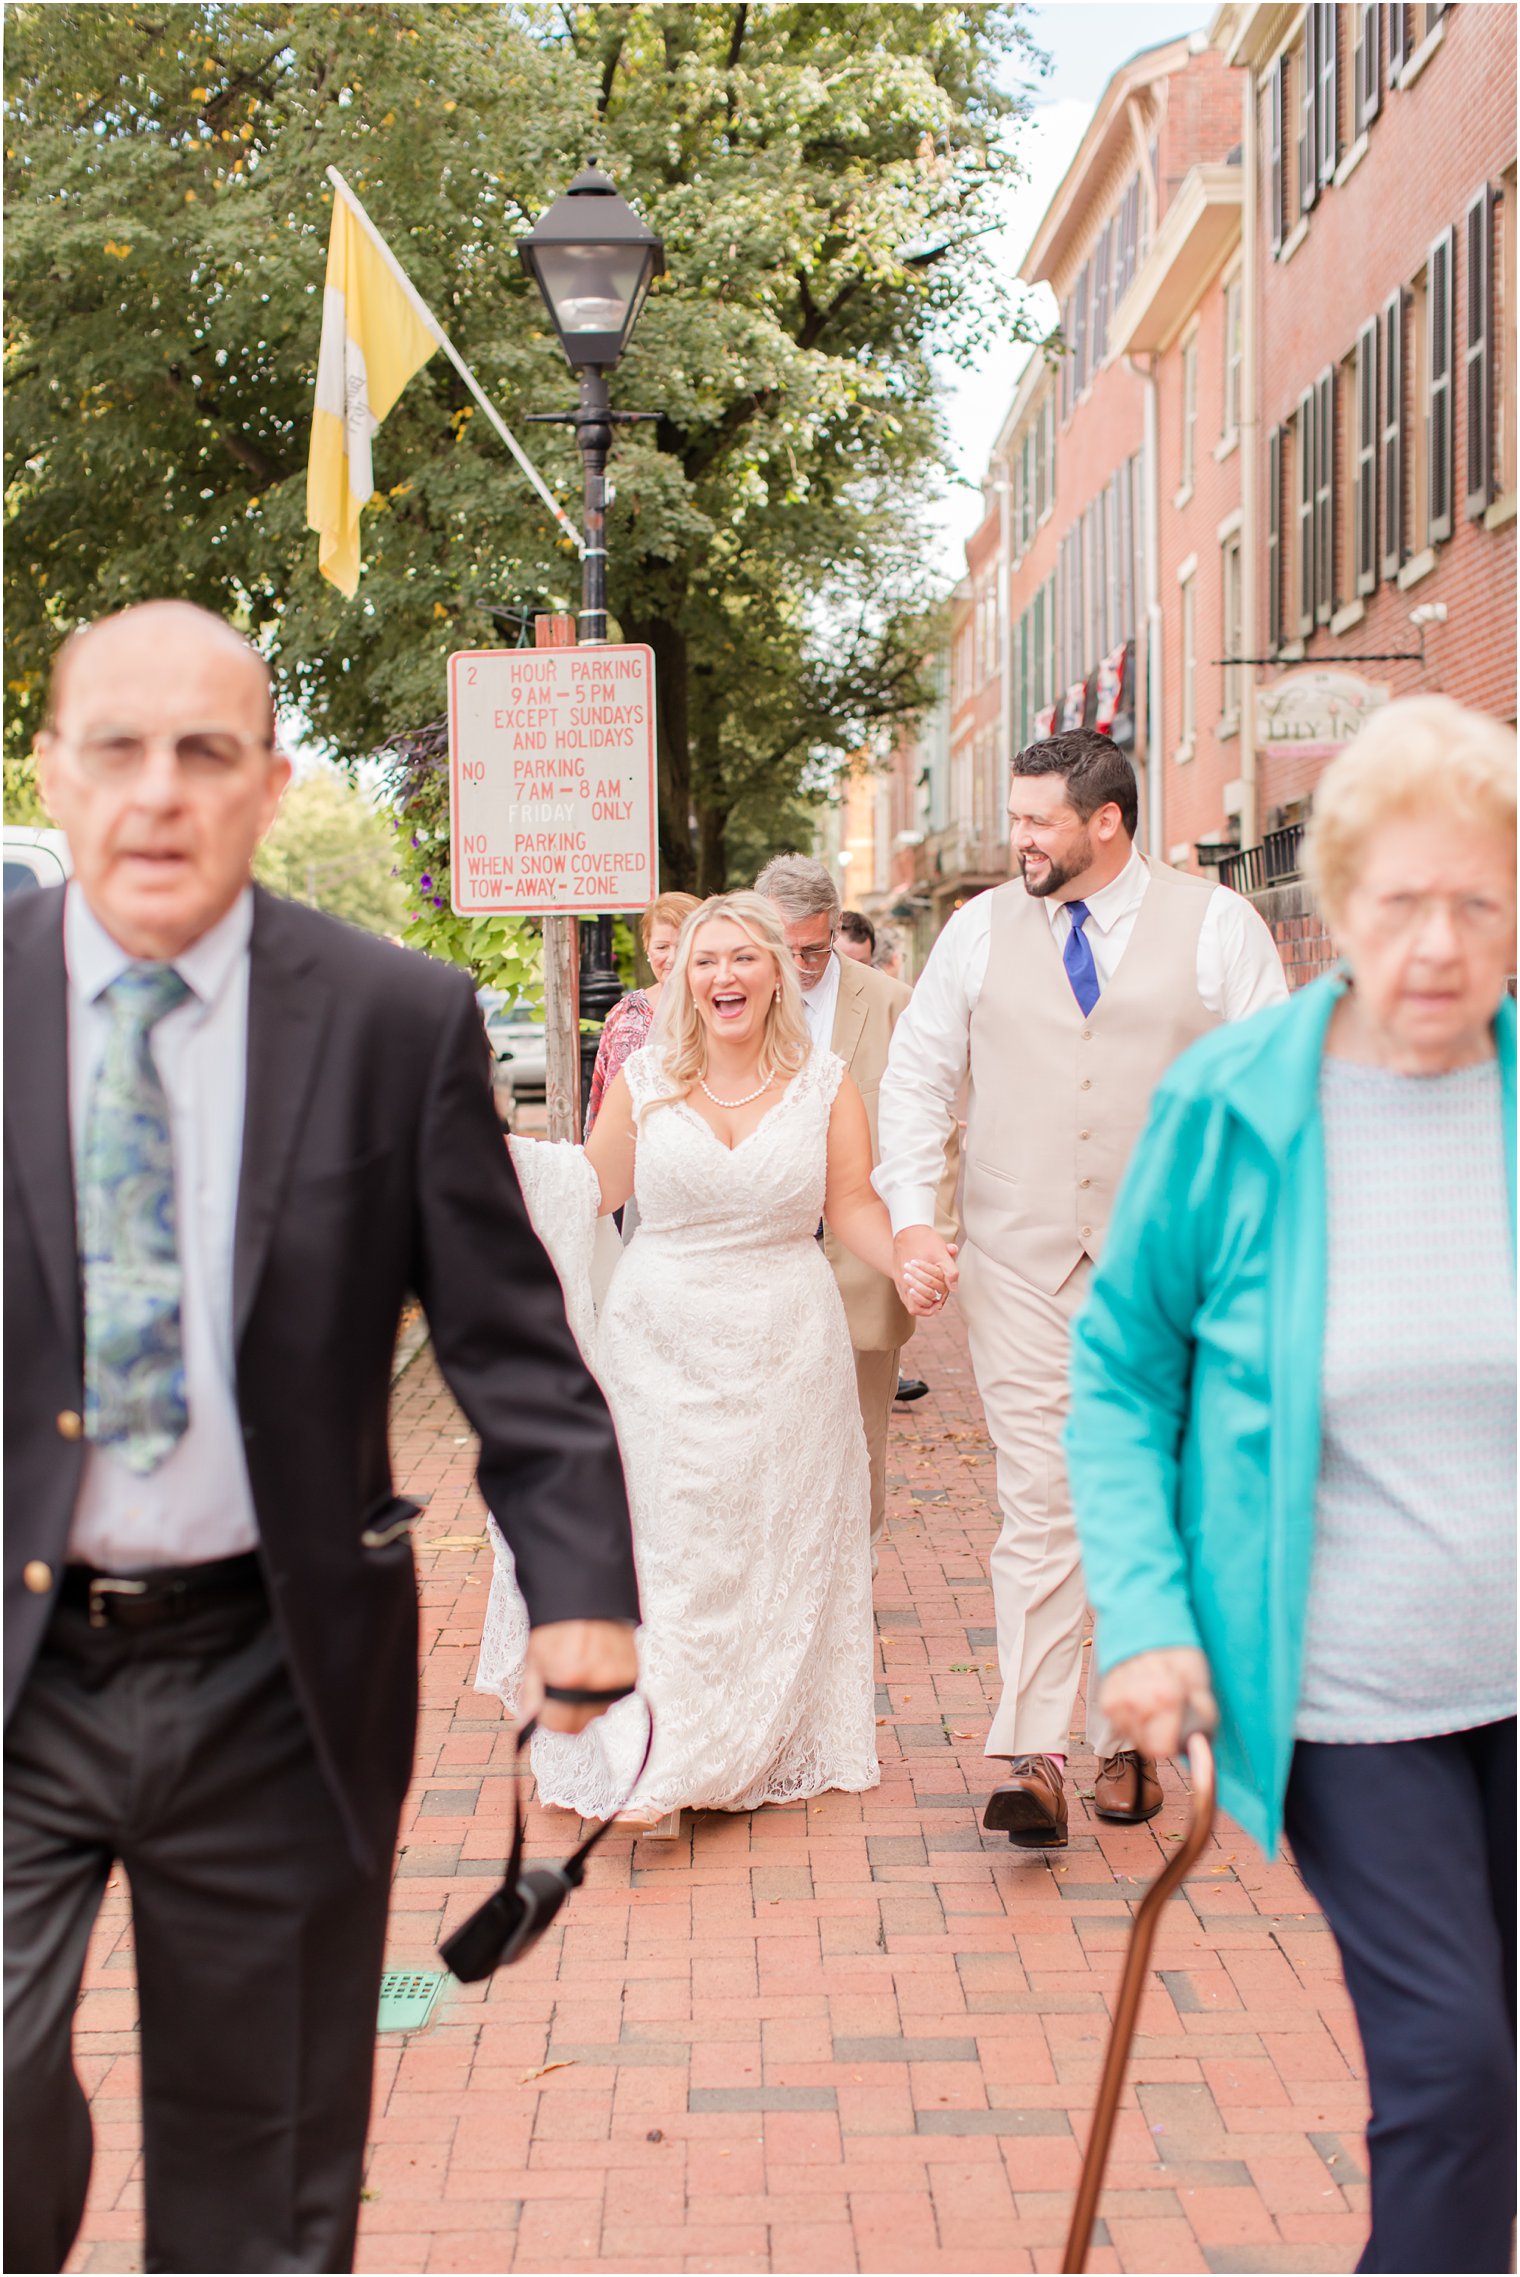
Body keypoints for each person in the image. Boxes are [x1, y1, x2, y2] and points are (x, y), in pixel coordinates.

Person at [4, 602, 640, 2276]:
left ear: (271, 784)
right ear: (56, 773)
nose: (159, 793)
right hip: (15, 1660)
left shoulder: (388, 1019)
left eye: (205, 752)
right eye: (118, 751)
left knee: (263, 2169)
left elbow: (515, 1347)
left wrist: (581, 1579)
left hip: (268, 1668)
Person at [1068, 698, 1516, 2275]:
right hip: (1349, 1695)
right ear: (1336, 906)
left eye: (1480, 900)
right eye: (1402, 903)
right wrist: (1142, 1615)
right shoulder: (1238, 1109)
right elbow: (1121, 1374)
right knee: (1458, 2066)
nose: (1442, 944)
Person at [876, 728, 1286, 1849]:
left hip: (1178, 1270)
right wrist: (914, 1213)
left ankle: (1131, 1736)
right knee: (1041, 1500)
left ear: (1105, 821)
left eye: (1037, 821)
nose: (1018, 839)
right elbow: (916, 1081)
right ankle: (1035, 1754)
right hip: (1020, 1261)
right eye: (1015, 818)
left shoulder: (1216, 929)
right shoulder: (973, 932)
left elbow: (1273, 1100)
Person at [476, 891, 947, 1821]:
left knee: (762, 1544)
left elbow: (850, 1203)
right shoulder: (646, 1079)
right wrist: (496, 1160)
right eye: (705, 960)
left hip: (785, 1345)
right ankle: (658, 1741)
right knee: (669, 1542)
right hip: (658, 1344)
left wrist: (910, 1252)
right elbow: (595, 1184)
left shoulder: (826, 1082)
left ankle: (744, 1729)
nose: (723, 976)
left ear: (778, 972)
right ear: (682, 978)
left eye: (742, 959)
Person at [756, 856, 956, 1567]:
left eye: (816, 948)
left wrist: (927, 1240)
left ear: (836, 927)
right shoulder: (740, 999)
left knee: (860, 1438)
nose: (803, 965)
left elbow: (939, 1134)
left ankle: (855, 1568)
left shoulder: (894, 1004)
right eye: (789, 950)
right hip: (763, 1265)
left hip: (862, 1267)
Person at [584, 889, 701, 1133]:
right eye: (661, 947)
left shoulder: (721, 1012)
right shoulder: (626, 1014)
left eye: (682, 946)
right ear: (647, 947)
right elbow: (600, 1100)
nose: (672, 958)